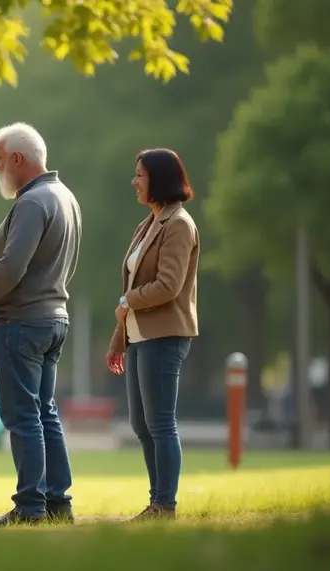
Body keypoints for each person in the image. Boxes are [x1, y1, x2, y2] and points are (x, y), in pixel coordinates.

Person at [0, 122, 82, 527]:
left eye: (0, 161)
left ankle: (30, 506)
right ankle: (58, 502)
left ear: (18, 159)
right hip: (54, 317)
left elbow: (12, 264)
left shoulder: (33, 201)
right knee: (45, 413)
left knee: (22, 416)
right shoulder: (65, 197)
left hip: (21, 322)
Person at [106, 148, 199, 521]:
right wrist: (119, 338)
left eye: (140, 174)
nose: (134, 181)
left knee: (160, 422)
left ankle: (165, 504)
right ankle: (156, 501)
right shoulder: (147, 225)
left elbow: (169, 285)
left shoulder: (179, 224)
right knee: (141, 425)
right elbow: (133, 287)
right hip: (140, 336)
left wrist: (129, 300)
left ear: (159, 179)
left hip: (166, 334)